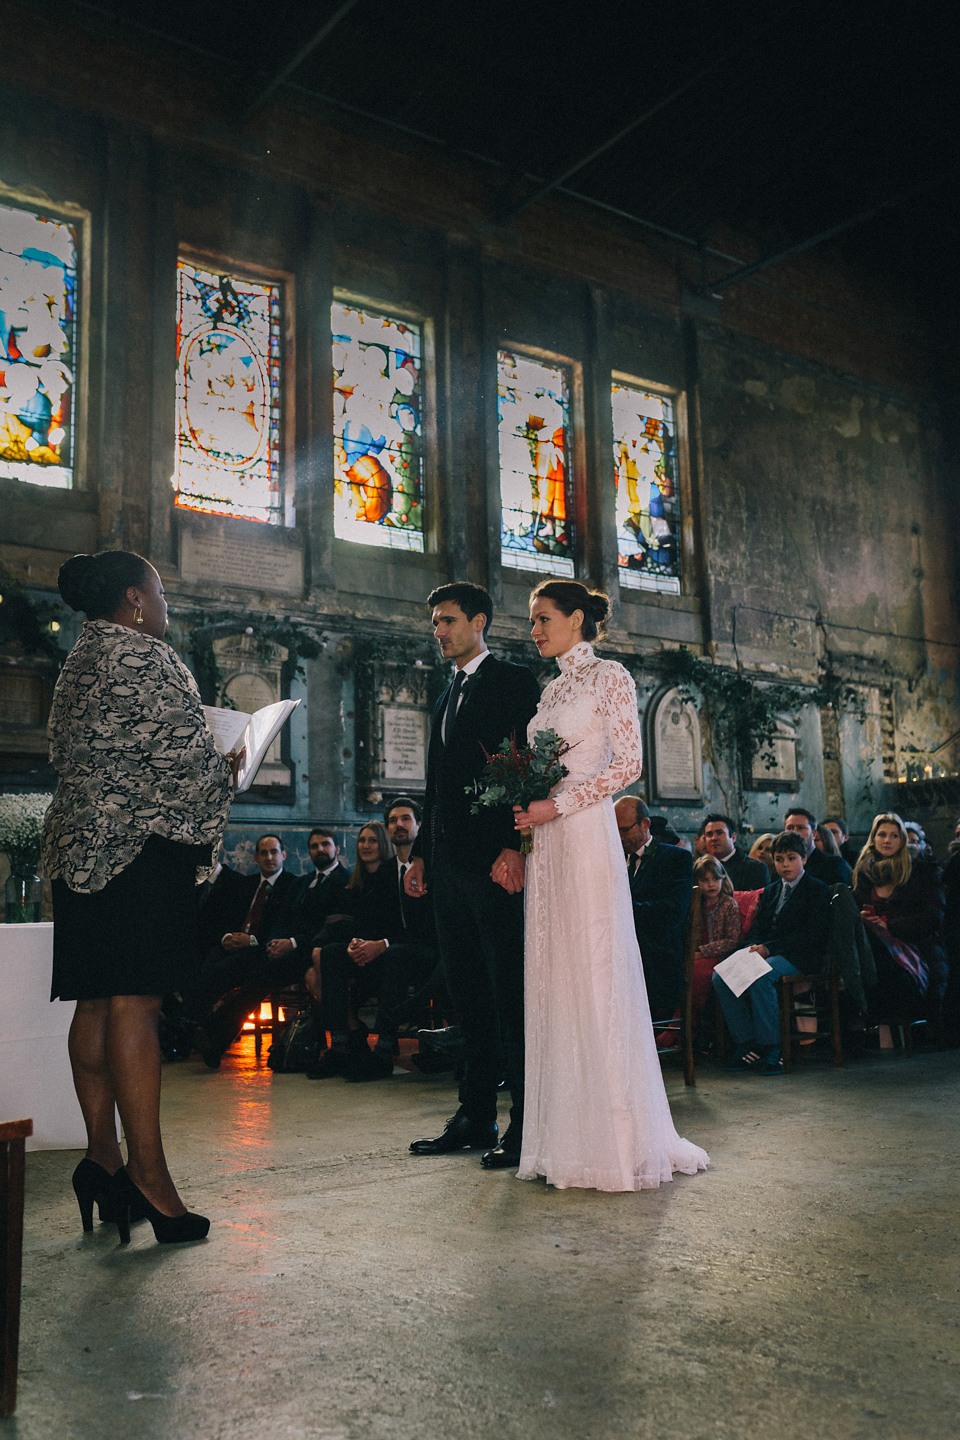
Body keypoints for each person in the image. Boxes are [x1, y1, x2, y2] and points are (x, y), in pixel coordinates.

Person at [42, 550, 238, 1243]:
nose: (164, 605)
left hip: (79, 854)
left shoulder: (78, 661)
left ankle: (101, 1158)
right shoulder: (146, 659)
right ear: (133, 599)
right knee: (135, 1005)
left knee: (96, 999)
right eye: (159, 591)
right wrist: (230, 765)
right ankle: (150, 1179)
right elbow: (186, 764)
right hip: (137, 855)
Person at [511, 579, 708, 1190]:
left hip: (585, 833)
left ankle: (617, 1142)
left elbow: (628, 765)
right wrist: (527, 805)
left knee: (594, 970)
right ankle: (564, 1140)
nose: (535, 630)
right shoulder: (550, 690)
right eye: (532, 621)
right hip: (548, 843)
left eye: (543, 618)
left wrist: (558, 803)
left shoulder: (609, 677)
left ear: (576, 619)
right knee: (555, 973)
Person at [405, 583, 541, 1167]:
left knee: (509, 995)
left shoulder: (513, 682)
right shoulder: (446, 695)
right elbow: (437, 787)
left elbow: (530, 766)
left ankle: (524, 1123)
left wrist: (516, 845)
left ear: (480, 622)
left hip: (495, 867)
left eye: (449, 621)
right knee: (467, 996)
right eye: (435, 622)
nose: (439, 631)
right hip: (449, 868)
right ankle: (474, 1114)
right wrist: (419, 856)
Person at [712, 831, 831, 1075]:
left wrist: (768, 948)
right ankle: (748, 1043)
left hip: (801, 956)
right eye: (779, 859)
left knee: (760, 976)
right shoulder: (771, 890)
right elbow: (759, 928)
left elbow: (810, 935)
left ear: (804, 859)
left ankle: (772, 1046)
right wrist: (751, 948)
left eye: (791, 858)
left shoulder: (817, 889)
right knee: (721, 977)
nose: (785, 865)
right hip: (769, 952)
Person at [188, 833, 302, 1067]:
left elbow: (284, 924)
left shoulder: (292, 885)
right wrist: (226, 937)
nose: (269, 857)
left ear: (284, 855)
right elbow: (226, 918)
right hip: (235, 946)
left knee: (226, 970)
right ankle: (194, 1022)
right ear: (256, 857)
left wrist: (251, 941)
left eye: (274, 852)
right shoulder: (245, 884)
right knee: (207, 960)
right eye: (263, 853)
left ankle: (191, 1023)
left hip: (263, 949)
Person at [852, 812, 946, 1029]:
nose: (887, 840)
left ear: (903, 840)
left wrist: (890, 926)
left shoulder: (921, 870)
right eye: (882, 834)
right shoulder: (864, 873)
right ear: (873, 838)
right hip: (874, 948)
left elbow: (933, 916)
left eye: (894, 835)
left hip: (916, 944)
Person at [613, 795, 693, 1020]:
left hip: (657, 957)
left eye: (624, 830)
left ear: (645, 824)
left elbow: (673, 911)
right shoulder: (615, 860)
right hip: (623, 950)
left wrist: (623, 912)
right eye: (614, 831)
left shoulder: (676, 858)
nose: (619, 838)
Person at [690, 855, 742, 1015]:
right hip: (695, 954)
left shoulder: (728, 904)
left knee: (697, 972)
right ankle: (679, 1019)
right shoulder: (695, 904)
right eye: (705, 880)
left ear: (722, 879)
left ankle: (694, 1018)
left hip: (721, 956)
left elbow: (733, 941)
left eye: (715, 879)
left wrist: (703, 951)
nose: (711, 884)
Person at [785, 807, 852, 886]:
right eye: (790, 828)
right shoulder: (781, 866)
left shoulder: (833, 864)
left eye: (800, 828)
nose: (794, 832)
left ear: (814, 834)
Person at [701, 814, 769, 892]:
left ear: (733, 837)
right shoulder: (700, 867)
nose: (714, 838)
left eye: (719, 833)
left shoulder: (755, 868)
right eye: (709, 834)